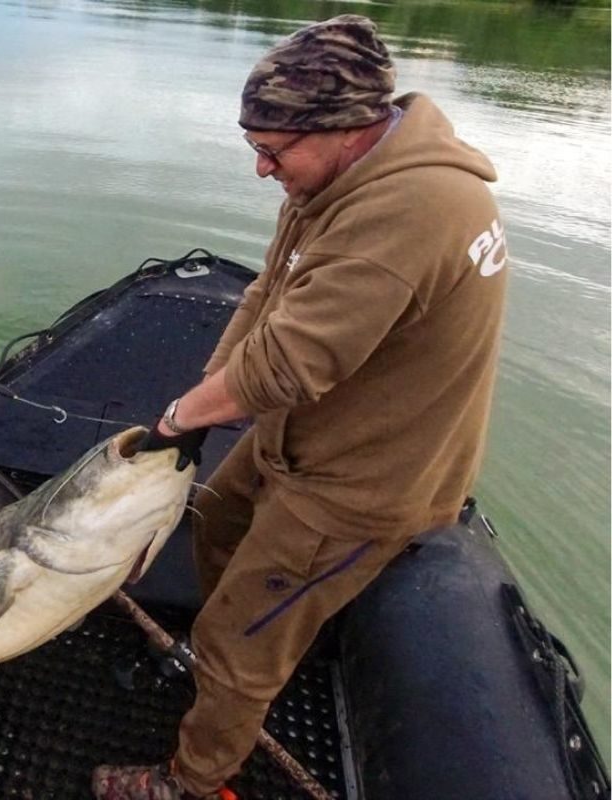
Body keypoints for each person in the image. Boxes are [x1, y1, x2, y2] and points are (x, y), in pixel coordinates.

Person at [91, 14, 508, 800]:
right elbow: (266, 298)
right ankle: (245, 646)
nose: (260, 169)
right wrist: (198, 406)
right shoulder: (346, 178)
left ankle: (193, 776)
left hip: (366, 481)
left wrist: (178, 420)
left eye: (273, 151)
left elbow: (287, 362)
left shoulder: (408, 211)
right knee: (216, 515)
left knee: (236, 639)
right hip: (314, 428)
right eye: (256, 145)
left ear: (346, 128)